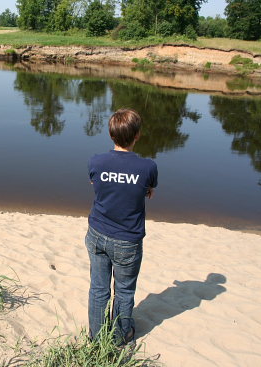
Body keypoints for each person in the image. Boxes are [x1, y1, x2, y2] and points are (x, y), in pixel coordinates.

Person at [85, 108, 158, 346]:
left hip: (97, 234)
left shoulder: (96, 161)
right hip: (127, 240)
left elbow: (95, 183)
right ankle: (120, 336)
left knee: (98, 288)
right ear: (137, 135)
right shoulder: (148, 167)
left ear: (111, 135)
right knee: (124, 291)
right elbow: (149, 191)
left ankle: (96, 337)